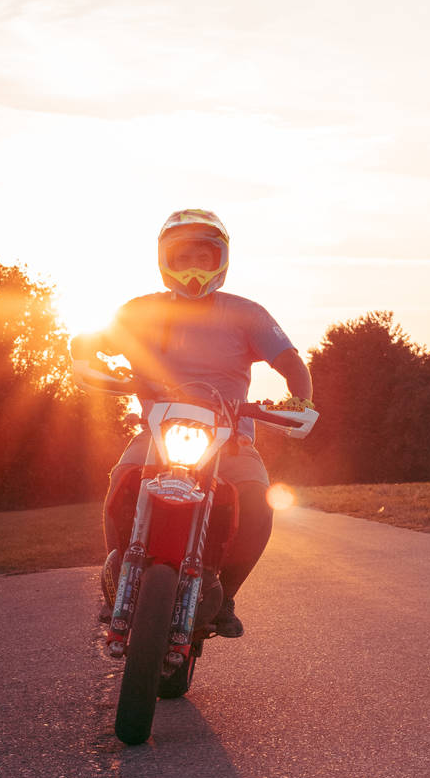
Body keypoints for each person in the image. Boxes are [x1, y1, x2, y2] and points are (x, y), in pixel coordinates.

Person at [70, 208, 313, 638]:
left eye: (204, 256)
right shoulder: (138, 311)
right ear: (165, 259)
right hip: (157, 432)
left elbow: (290, 361)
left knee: (258, 505)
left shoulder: (247, 313)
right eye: (183, 257)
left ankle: (227, 595)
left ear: (221, 259)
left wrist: (299, 397)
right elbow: (95, 340)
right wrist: (86, 352)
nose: (193, 268)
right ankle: (120, 584)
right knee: (123, 480)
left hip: (232, 438)